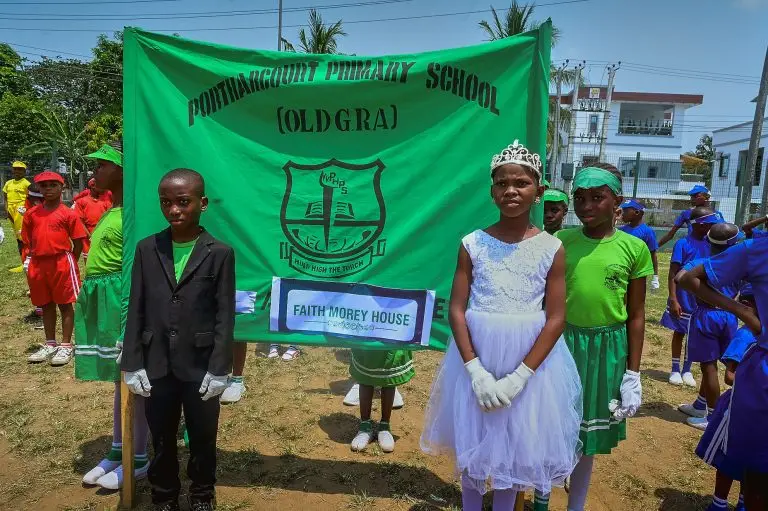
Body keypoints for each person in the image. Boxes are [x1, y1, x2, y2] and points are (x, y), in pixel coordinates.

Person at [421, 140, 582, 511]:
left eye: (521, 183)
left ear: (538, 192)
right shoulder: (472, 243)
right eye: (502, 183)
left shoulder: (551, 247)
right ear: (492, 191)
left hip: (528, 361)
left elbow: (556, 316)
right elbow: (457, 309)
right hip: (478, 354)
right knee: (473, 438)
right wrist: (475, 370)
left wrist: (519, 376)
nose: (511, 190)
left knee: (515, 444)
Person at [122, 168, 235, 511]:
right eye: (166, 203)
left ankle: (202, 493)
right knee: (161, 435)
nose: (174, 210)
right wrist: (132, 362)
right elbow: (137, 305)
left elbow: (224, 314)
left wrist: (219, 368)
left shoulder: (219, 252)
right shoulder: (147, 248)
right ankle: (164, 495)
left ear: (202, 204)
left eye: (183, 202)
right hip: (157, 362)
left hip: (200, 365)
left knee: (202, 437)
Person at [555, 164, 653, 511]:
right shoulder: (561, 242)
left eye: (598, 198)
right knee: (553, 426)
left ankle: (576, 503)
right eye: (580, 199)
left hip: (608, 349)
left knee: (588, 435)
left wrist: (633, 372)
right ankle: (539, 498)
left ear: (618, 203)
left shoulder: (633, 248)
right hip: (562, 344)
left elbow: (637, 314)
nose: (587, 207)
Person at [74, 142, 151, 490]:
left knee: (133, 377)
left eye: (102, 166)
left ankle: (140, 457)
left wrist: (130, 319)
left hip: (121, 299)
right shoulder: (110, 210)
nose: (95, 173)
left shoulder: (133, 213)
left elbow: (135, 269)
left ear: (121, 169)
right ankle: (118, 450)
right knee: (117, 379)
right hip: (103, 300)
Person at [678, 238, 767, 511]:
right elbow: (685, 277)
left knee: (708, 367)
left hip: (711, 319)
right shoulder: (757, 249)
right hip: (760, 370)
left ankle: (707, 410)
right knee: (759, 470)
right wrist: (743, 312)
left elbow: (683, 275)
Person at [693, 284, 756, 511]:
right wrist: (754, 381)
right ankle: (719, 502)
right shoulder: (745, 335)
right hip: (737, 409)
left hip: (758, 412)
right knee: (728, 457)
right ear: (747, 306)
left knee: (752, 461)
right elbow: (729, 376)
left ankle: (742, 501)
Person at [676, 223, 742, 431]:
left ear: (708, 241)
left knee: (708, 365)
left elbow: (679, 278)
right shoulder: (739, 265)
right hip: (730, 316)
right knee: (719, 363)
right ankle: (700, 405)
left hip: (706, 316)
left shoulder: (701, 263)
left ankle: (712, 417)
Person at [23, 171, 88, 366]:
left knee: (65, 304)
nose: (48, 189)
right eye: (44, 186)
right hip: (38, 263)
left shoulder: (68, 213)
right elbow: (28, 240)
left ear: (63, 187)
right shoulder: (32, 214)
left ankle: (66, 345)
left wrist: (70, 262)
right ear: (39, 189)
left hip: (61, 261)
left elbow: (77, 241)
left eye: (53, 184)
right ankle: (50, 343)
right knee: (45, 304)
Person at [660, 206, 717, 388]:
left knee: (695, 333)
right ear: (698, 224)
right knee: (679, 331)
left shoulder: (711, 245)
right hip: (683, 297)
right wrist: (674, 299)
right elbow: (672, 274)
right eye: (708, 224)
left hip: (700, 297)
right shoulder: (682, 244)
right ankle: (675, 368)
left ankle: (687, 369)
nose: (711, 228)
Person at [657, 185, 724, 247]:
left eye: (696, 196)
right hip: (692, 247)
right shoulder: (686, 213)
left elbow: (723, 233)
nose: (692, 199)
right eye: (691, 197)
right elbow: (670, 234)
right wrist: (655, 248)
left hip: (710, 248)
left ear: (706, 197)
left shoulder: (716, 214)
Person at [618, 199, 660, 291]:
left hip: (638, 272)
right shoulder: (620, 231)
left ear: (637, 212)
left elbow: (653, 255)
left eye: (625, 211)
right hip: (621, 270)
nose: (622, 213)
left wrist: (655, 277)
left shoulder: (647, 232)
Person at [3, 160, 31, 272]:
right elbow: (5, 197)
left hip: (21, 210)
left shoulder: (26, 183)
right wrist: (7, 210)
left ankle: (26, 261)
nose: (17, 171)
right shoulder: (8, 183)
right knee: (17, 236)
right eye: (15, 169)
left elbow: (31, 198)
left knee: (23, 236)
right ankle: (23, 260)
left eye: (20, 169)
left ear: (24, 172)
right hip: (11, 210)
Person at [74, 177, 112, 257]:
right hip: (87, 235)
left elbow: (109, 219)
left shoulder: (106, 202)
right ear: (93, 186)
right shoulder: (81, 202)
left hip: (103, 234)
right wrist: (89, 235)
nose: (104, 188)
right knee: (88, 259)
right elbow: (80, 221)